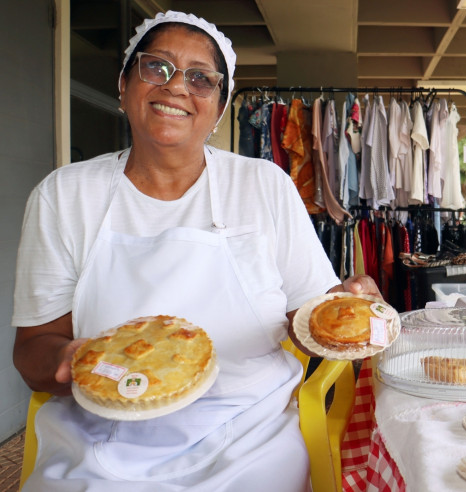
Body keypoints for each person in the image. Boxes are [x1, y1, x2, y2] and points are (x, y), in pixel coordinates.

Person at [11, 11, 379, 491]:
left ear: (220, 108)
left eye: (201, 79)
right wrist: (67, 362)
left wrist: (346, 311)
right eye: (156, 67)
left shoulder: (262, 184)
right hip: (104, 428)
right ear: (123, 87)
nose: (176, 87)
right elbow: (34, 349)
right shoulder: (65, 195)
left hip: (250, 428)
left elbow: (310, 313)